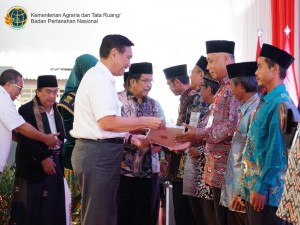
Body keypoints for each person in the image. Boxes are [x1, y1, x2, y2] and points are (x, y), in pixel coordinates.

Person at [70, 34, 164, 225]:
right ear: (114, 53)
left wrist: (129, 136)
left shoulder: (102, 78)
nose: (129, 64)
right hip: (98, 153)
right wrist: (144, 121)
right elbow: (107, 122)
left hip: (101, 151)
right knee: (99, 217)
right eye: (128, 57)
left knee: (105, 214)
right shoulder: (98, 80)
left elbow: (107, 124)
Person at [240, 43, 295, 225]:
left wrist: (262, 187)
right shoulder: (265, 101)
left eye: (260, 66)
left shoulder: (282, 104)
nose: (256, 72)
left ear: (275, 68)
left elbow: (277, 152)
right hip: (254, 188)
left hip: (268, 194)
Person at [9, 75, 66, 225]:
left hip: (55, 165)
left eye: (55, 92)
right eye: (48, 92)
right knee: (30, 213)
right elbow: (25, 138)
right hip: (33, 167)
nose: (52, 96)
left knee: (53, 210)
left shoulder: (58, 110)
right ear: (38, 92)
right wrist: (43, 158)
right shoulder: (26, 110)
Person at [117, 62, 165, 225]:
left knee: (145, 217)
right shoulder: (117, 101)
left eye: (151, 81)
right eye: (145, 81)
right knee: (122, 215)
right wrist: (131, 138)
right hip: (122, 170)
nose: (149, 85)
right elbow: (109, 130)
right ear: (132, 81)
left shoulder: (154, 104)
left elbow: (163, 131)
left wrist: (161, 143)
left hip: (148, 171)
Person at [57, 54, 98, 224]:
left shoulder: (89, 93)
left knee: (88, 203)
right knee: (75, 202)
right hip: (73, 157)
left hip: (91, 155)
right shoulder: (70, 99)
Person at [202, 40, 239, 225]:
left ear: (226, 59)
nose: (208, 67)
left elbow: (232, 125)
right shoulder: (222, 88)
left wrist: (201, 135)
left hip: (226, 169)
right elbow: (212, 122)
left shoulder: (233, 87)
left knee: (226, 219)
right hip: (215, 168)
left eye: (210, 61)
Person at [175, 73, 220, 225]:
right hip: (198, 175)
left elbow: (221, 138)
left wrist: (200, 150)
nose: (199, 92)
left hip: (208, 177)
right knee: (198, 216)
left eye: (201, 88)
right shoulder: (210, 110)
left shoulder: (218, 111)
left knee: (210, 217)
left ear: (208, 89)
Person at [219, 62, 260, 225]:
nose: (230, 90)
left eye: (231, 86)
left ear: (241, 86)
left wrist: (240, 191)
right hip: (235, 188)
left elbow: (250, 154)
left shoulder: (255, 111)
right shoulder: (243, 108)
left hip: (242, 191)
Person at [0, 69, 60, 173]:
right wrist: (45, 139)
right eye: (19, 88)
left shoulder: (59, 109)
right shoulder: (3, 98)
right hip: (32, 169)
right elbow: (21, 127)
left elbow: (14, 132)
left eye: (55, 92)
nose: (20, 93)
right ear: (9, 84)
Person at [163, 64, 196, 225]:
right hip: (181, 163)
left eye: (169, 84)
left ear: (176, 82)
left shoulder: (192, 98)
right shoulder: (187, 98)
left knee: (185, 213)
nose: (170, 87)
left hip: (186, 165)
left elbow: (189, 130)